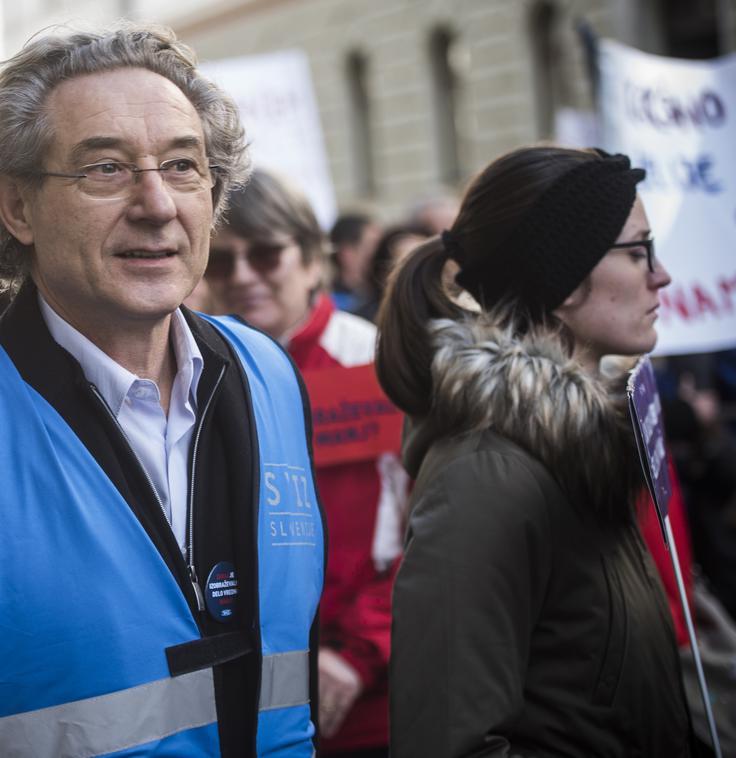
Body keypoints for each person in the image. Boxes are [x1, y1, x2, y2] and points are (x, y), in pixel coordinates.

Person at [0, 23, 325, 757]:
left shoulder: (271, 376)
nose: (156, 204)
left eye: (182, 165)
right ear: (16, 207)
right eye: (105, 169)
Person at [377, 146, 697, 756]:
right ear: (567, 278)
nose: (662, 275)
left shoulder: (579, 443)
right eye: (638, 252)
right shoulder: (485, 475)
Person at [206, 170, 405, 758]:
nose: (243, 277)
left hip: (371, 697)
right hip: (252, 705)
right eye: (222, 262)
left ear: (312, 262)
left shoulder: (371, 360)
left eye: (266, 254)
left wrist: (359, 653)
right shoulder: (193, 376)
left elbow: (432, 528)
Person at [328, 212, 381, 314]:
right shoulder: (329, 302)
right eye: (373, 245)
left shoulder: (382, 295)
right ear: (347, 253)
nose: (381, 251)